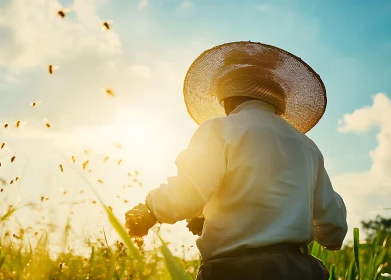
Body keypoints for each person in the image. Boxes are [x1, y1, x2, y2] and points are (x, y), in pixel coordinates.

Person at [124, 41, 347, 279]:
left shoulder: (219, 129)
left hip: (233, 271)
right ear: (276, 100)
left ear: (227, 98)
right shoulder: (307, 146)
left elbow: (190, 192)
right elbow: (332, 225)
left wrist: (150, 209)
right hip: (298, 271)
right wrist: (214, 219)